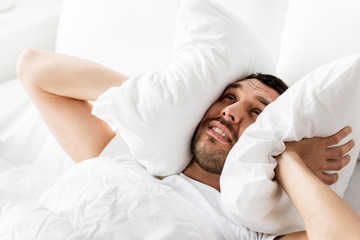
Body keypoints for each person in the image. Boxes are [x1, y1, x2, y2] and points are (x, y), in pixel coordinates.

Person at [17, 48, 360, 239]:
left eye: (257, 113)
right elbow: (32, 68)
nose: (231, 112)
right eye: (228, 96)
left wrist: (284, 158)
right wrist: (156, 107)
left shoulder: (251, 231)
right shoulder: (125, 156)